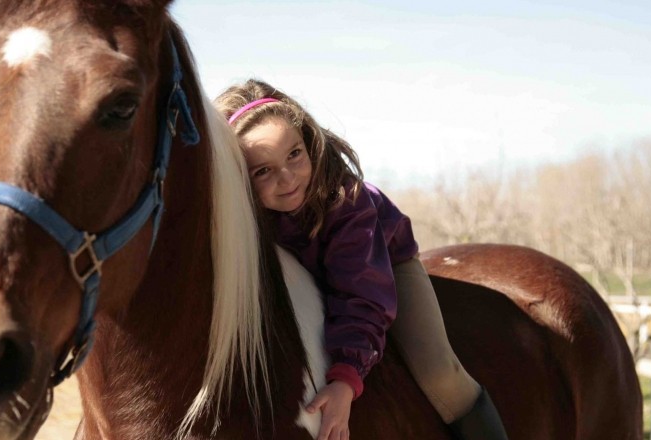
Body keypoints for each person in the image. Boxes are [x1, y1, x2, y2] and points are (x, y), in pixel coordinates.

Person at [215, 79, 508, 440]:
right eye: (263, 170)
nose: (288, 178)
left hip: (380, 264)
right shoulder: (244, 218)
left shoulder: (345, 202)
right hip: (311, 274)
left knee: (440, 375)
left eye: (294, 154)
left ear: (309, 143)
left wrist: (345, 378)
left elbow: (361, 293)